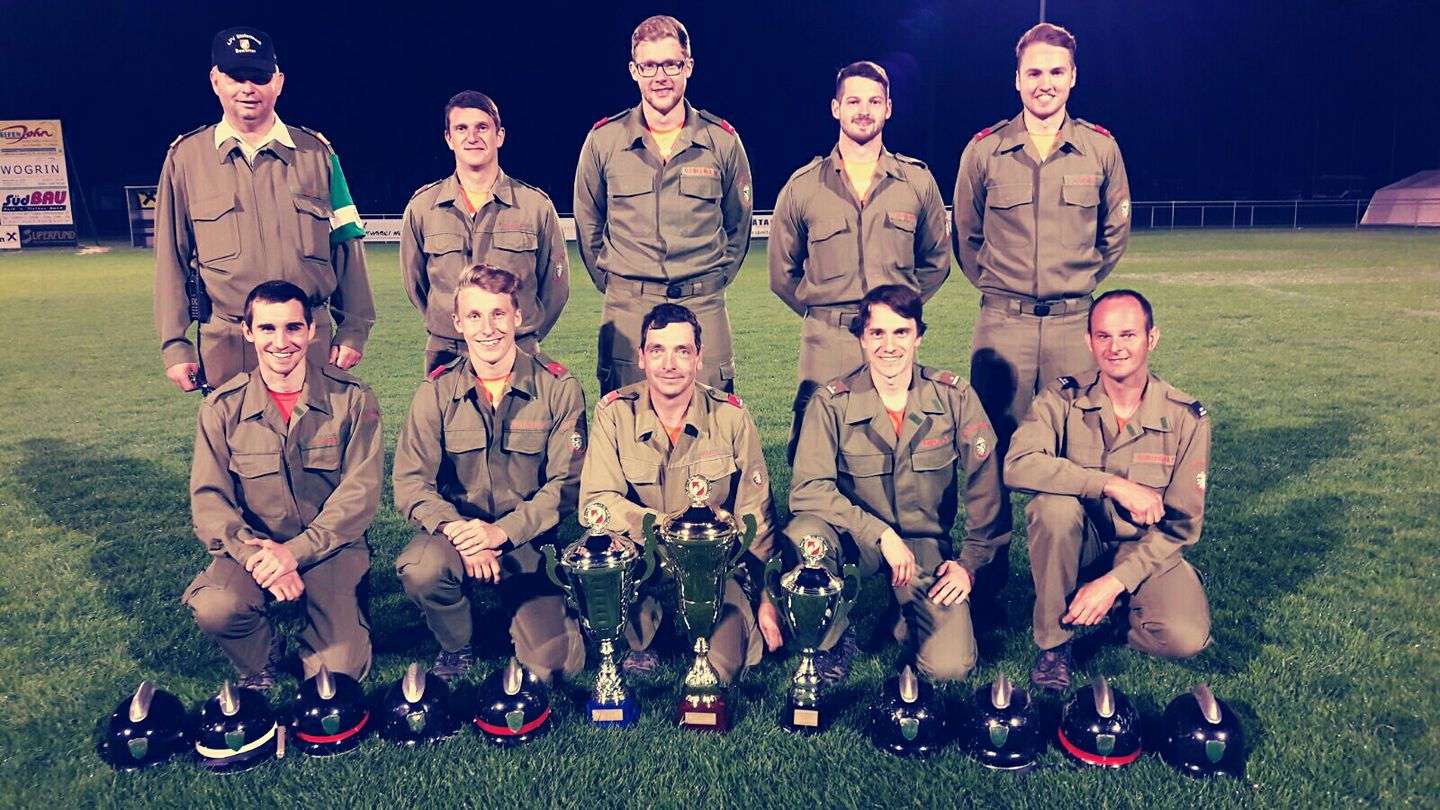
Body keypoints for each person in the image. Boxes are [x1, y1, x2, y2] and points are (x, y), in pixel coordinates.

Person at [952, 22, 1132, 612]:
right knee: (990, 451)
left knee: (1076, 447)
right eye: (1034, 72)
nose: (1045, 83)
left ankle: (1074, 573)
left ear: (1073, 77)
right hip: (1001, 324)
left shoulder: (1100, 149)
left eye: (1056, 71)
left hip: (1072, 326)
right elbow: (966, 237)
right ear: (1017, 79)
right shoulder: (984, 151)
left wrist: (1072, 284)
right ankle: (987, 573)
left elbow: (1112, 237)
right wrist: (1003, 288)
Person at [787, 285, 1004, 684]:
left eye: (901, 332)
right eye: (877, 333)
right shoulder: (831, 403)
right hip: (856, 542)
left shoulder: (953, 397)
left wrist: (969, 565)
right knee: (806, 534)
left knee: (949, 668)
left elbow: (987, 488)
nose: (889, 346)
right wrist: (880, 534)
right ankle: (833, 636)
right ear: (861, 338)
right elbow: (808, 489)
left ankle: (903, 615)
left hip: (923, 544)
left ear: (918, 336)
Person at [1006, 290, 1211, 692]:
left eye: (1128, 335)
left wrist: (1116, 582)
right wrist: (1111, 484)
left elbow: (1182, 526)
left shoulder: (1185, 418)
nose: (1115, 348)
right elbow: (1018, 464)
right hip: (1078, 543)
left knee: (1185, 638)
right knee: (1053, 508)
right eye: (1103, 336)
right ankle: (1055, 645)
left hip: (1145, 550)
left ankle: (1117, 605)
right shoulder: (1061, 398)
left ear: (1152, 338)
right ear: (1089, 341)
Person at [184, 281, 383, 689]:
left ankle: (334, 617)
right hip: (257, 547)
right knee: (217, 606)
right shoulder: (222, 408)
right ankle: (262, 654)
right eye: (267, 328)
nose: (281, 342)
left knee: (339, 674)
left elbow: (359, 495)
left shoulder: (352, 398)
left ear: (311, 330)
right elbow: (209, 501)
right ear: (248, 331)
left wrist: (293, 553)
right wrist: (257, 556)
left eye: (293, 327)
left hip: (330, 548)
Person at [392, 266, 586, 683]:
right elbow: (410, 482)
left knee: (556, 667)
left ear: (518, 316)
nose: (488, 328)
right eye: (475, 316)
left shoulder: (558, 387)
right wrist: (461, 532)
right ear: (457, 323)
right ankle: (457, 642)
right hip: (455, 536)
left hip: (528, 540)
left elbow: (567, 484)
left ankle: (526, 615)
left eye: (498, 313)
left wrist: (501, 533)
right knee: (422, 567)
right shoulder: (436, 391)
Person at [155, 26, 375, 394]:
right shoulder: (185, 159)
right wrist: (175, 344)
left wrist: (354, 328)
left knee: (315, 431)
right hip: (227, 345)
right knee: (234, 433)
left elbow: (347, 244)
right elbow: (170, 259)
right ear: (215, 80)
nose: (248, 88)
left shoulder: (318, 154)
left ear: (278, 82)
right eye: (235, 77)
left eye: (258, 77)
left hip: (309, 341)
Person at [579, 303, 781, 682]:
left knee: (722, 669)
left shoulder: (732, 417)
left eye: (682, 351)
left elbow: (758, 518)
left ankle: (713, 629)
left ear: (699, 358)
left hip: (714, 566)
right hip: (646, 561)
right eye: (657, 350)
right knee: (609, 566)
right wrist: (669, 525)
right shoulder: (614, 414)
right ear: (641, 357)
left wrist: (768, 599)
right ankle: (646, 637)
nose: (669, 364)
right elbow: (597, 501)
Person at [769, 61, 950, 462]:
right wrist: (822, 312)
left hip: (892, 340)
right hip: (827, 340)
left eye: (874, 101)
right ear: (836, 108)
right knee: (815, 452)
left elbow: (937, 260)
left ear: (889, 108)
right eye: (853, 101)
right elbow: (781, 273)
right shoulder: (804, 186)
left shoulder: (917, 182)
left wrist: (898, 312)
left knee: (895, 450)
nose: (864, 110)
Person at [574, 14, 753, 395]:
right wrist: (620, 285)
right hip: (628, 307)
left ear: (688, 66)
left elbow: (738, 226)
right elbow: (588, 225)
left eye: (671, 64)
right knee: (626, 416)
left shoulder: (722, 141)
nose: (660, 77)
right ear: (633, 70)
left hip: (703, 302)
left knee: (712, 415)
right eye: (649, 66)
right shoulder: (604, 141)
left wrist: (711, 280)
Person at [401, 91, 570, 374]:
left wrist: (521, 331)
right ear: (448, 139)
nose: (472, 137)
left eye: (482, 127)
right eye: (461, 128)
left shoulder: (535, 206)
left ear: (499, 136)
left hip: (517, 351)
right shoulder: (423, 207)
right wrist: (450, 325)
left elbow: (555, 290)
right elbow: (415, 285)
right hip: (447, 354)